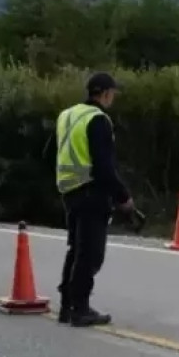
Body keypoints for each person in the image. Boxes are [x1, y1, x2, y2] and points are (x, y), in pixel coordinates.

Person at [54, 72, 133, 327]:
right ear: (106, 93)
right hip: (91, 191)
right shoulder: (99, 120)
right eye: (113, 94)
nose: (113, 98)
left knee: (76, 249)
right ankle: (80, 308)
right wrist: (123, 196)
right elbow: (103, 166)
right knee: (91, 254)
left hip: (69, 190)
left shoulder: (67, 115)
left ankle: (67, 306)